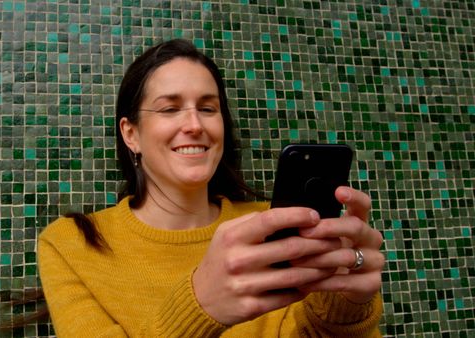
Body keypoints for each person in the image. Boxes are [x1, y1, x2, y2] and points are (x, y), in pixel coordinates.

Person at [37, 39, 385, 337]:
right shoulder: (70, 244)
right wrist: (199, 305)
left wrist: (346, 306)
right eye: (170, 108)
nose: (194, 124)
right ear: (131, 133)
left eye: (207, 108)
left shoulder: (279, 227)